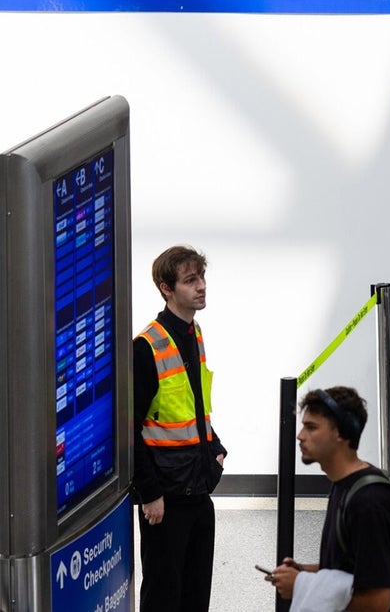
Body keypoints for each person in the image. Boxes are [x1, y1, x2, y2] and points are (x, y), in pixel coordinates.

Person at [132, 245, 227, 612]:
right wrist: (150, 492)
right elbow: (129, 428)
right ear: (166, 289)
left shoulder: (193, 332)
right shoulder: (147, 346)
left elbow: (194, 404)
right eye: (190, 280)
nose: (201, 286)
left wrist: (215, 447)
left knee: (195, 593)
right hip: (167, 496)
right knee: (162, 594)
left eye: (201, 277)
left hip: (198, 485)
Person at [267, 387, 390, 612]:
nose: (300, 436)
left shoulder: (368, 501)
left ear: (340, 432)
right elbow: (352, 569)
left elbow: (378, 601)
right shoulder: (343, 484)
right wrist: (304, 572)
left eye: (311, 427)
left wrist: (300, 586)